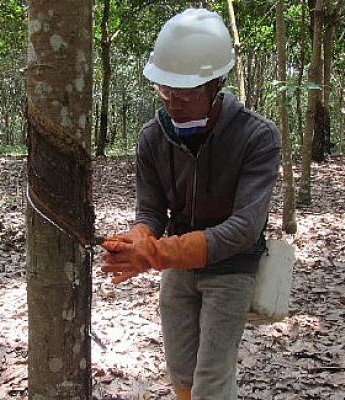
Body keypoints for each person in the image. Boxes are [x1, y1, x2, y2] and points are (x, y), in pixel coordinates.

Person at [100, 8, 281, 400]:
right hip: (179, 268)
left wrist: (157, 253)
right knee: (181, 372)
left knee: (212, 378)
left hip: (231, 267)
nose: (173, 101)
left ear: (216, 85)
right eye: (165, 89)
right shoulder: (153, 137)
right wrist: (139, 239)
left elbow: (244, 228)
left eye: (186, 92)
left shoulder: (257, 137)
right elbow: (151, 209)